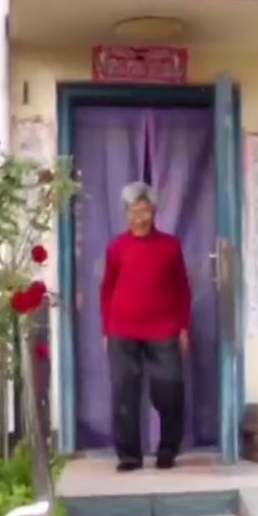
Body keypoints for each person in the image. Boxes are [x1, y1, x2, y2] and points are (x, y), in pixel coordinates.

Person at [100, 181, 191, 471]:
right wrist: (106, 329)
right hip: (122, 329)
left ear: (154, 212)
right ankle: (129, 456)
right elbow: (107, 288)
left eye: (145, 211)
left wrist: (183, 327)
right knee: (124, 392)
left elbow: (182, 288)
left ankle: (168, 449)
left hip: (164, 329)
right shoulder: (117, 247)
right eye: (133, 212)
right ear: (126, 212)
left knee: (169, 390)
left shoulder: (170, 246)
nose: (139, 218)